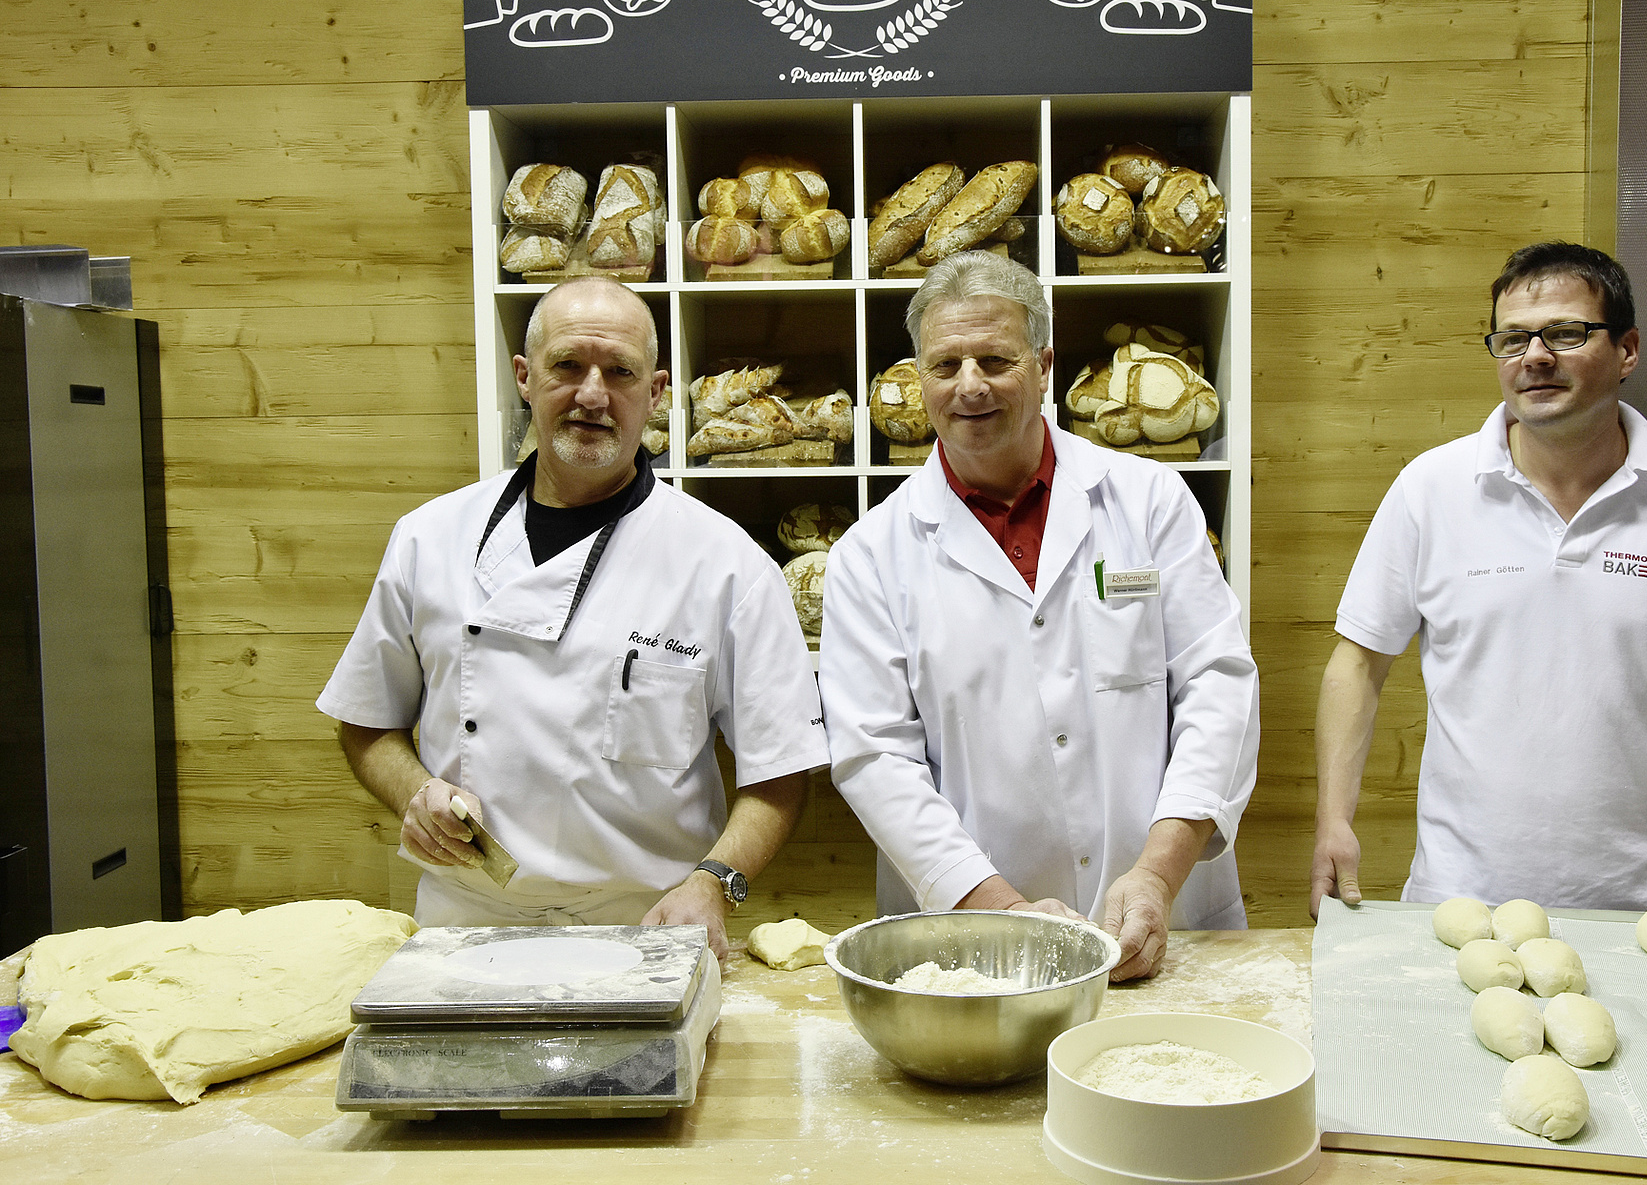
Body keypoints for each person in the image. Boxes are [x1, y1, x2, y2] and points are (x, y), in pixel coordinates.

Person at [317, 277, 827, 958]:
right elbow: (365, 721)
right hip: (466, 922)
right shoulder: (428, 539)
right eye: (567, 366)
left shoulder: (727, 566)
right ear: (524, 378)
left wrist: (715, 880)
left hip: (648, 926)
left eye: (620, 372)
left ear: (657, 392)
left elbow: (780, 771)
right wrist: (415, 793)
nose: (593, 394)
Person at [1311, 241, 1647, 919]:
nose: (1535, 357)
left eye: (1566, 333)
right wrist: (1334, 819)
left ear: (1627, 350)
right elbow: (1358, 663)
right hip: (1463, 901)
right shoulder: (1432, 487)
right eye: (1513, 339)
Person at [818, 251, 1260, 981]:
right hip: (972, 941)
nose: (970, 385)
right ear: (920, 379)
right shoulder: (870, 556)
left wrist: (1159, 874)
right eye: (945, 365)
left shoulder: (1150, 502)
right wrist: (1000, 910)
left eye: (996, 360)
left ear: (1045, 366)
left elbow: (1218, 686)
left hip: (1167, 918)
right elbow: (876, 759)